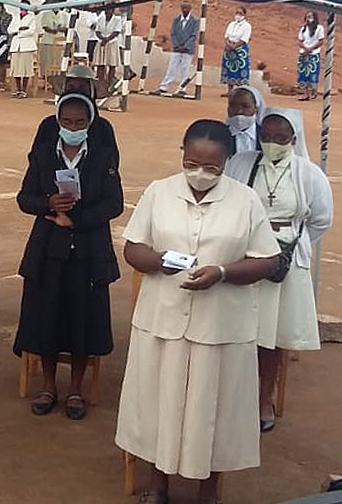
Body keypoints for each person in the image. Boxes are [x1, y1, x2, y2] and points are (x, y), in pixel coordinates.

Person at [116, 119, 280, 504]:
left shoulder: (245, 200)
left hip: (220, 325)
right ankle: (158, 484)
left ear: (226, 162)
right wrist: (158, 261)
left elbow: (267, 260)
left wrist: (221, 273)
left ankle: (208, 490)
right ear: (182, 154)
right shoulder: (159, 192)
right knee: (159, 402)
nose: (200, 173)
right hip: (164, 319)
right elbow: (133, 248)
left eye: (211, 167)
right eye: (192, 163)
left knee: (214, 407)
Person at [13, 93, 122, 419]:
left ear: (90, 123)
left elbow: (114, 203)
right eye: (67, 122)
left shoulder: (102, 157)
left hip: (89, 251)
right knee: (46, 317)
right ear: (57, 122)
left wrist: (76, 220)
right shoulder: (44, 155)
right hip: (48, 250)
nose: (73, 128)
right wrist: (49, 203)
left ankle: (76, 388)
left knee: (82, 320)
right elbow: (24, 198)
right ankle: (49, 386)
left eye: (79, 122)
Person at [225, 108, 332, 432]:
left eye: (280, 137)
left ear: (294, 138)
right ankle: (232, 399)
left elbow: (321, 219)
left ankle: (263, 398)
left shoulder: (309, 174)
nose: (272, 142)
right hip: (243, 253)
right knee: (235, 330)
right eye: (267, 136)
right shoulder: (241, 163)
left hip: (283, 259)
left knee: (270, 337)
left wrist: (289, 242)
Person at [159, 1, 198, 96]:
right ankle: (164, 87)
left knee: (185, 69)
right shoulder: (176, 19)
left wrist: (185, 46)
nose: (184, 10)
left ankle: (182, 88)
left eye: (186, 8)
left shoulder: (195, 20)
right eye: (183, 8)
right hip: (177, 48)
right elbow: (173, 33)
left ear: (190, 9)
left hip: (187, 49)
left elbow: (194, 35)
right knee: (171, 67)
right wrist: (177, 45)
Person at [221, 6, 252, 94]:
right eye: (237, 13)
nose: (238, 15)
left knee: (240, 69)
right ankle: (229, 91)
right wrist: (228, 44)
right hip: (229, 49)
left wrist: (235, 46)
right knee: (229, 69)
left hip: (240, 50)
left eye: (240, 13)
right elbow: (226, 36)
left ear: (244, 15)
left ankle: (239, 92)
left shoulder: (247, 26)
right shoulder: (231, 24)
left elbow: (244, 39)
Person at [226, 84, 265, 154]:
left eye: (245, 106)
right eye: (232, 105)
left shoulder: (265, 135)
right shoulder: (219, 135)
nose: (239, 111)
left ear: (256, 108)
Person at [296, 11, 325, 102]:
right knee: (303, 74)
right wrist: (305, 49)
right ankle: (305, 93)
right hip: (303, 53)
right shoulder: (303, 29)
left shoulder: (319, 28)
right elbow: (300, 41)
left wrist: (310, 49)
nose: (309, 18)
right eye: (307, 16)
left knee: (313, 73)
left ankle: (313, 91)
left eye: (310, 16)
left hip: (314, 54)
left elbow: (321, 41)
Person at [10, 3, 37, 98]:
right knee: (16, 70)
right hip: (16, 46)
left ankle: (24, 90)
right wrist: (19, 29)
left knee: (26, 70)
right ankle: (18, 89)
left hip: (27, 46)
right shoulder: (15, 17)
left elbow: (31, 31)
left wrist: (19, 33)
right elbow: (10, 30)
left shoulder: (32, 17)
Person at [36, 5, 69, 82]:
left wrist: (60, 29)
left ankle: (57, 80)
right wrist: (52, 30)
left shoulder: (64, 15)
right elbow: (44, 26)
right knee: (46, 61)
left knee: (58, 62)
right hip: (47, 41)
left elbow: (66, 28)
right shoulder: (46, 14)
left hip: (59, 42)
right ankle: (46, 80)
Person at [91, 6, 123, 85]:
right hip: (101, 43)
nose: (107, 11)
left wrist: (107, 39)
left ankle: (109, 83)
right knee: (100, 64)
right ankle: (101, 83)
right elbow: (97, 31)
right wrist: (103, 39)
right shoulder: (100, 18)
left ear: (112, 10)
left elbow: (116, 32)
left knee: (112, 65)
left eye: (109, 9)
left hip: (112, 43)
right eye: (106, 10)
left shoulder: (117, 19)